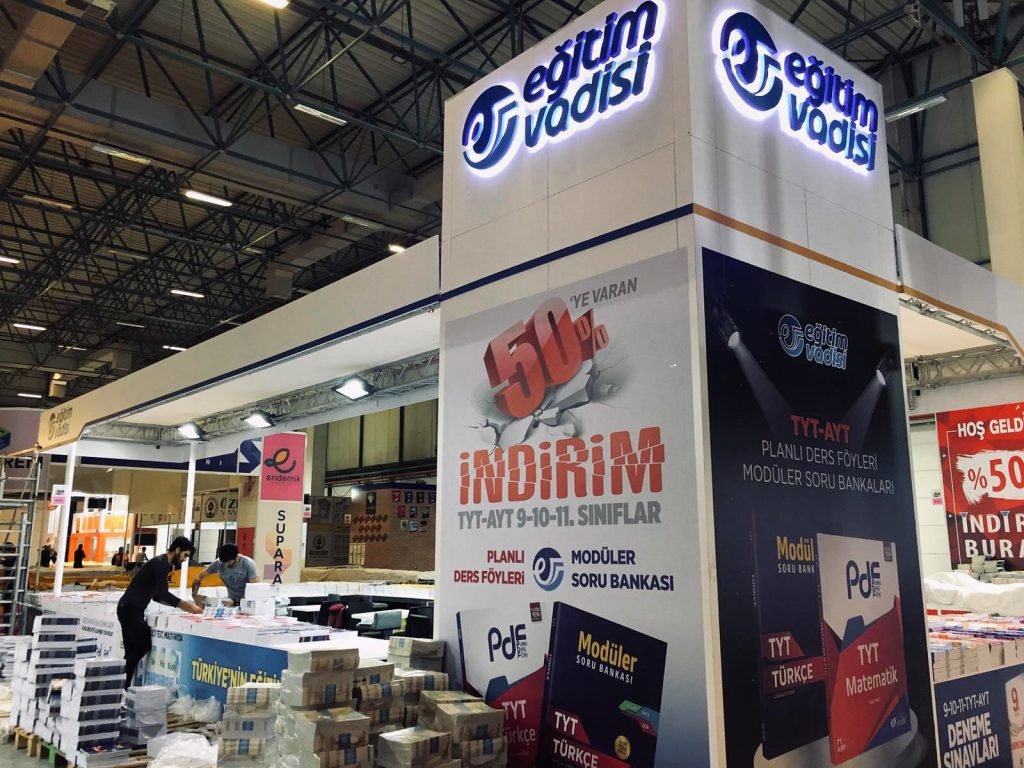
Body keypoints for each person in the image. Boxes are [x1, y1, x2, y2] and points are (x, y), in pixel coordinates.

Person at [116, 537, 202, 689]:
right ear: (177, 550)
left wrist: (178, 606)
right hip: (130, 609)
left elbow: (157, 596)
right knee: (142, 645)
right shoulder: (161, 564)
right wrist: (187, 606)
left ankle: (122, 688)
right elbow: (163, 594)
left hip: (128, 608)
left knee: (131, 651)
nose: (184, 560)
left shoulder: (161, 563)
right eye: (185, 555)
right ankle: (121, 685)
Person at [191, 544, 259, 607]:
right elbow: (198, 577)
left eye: (228, 562)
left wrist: (236, 602)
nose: (225, 565)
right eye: (223, 562)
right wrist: (195, 595)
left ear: (236, 557)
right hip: (230, 601)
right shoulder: (218, 563)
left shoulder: (248, 564)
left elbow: (254, 590)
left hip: (247, 603)